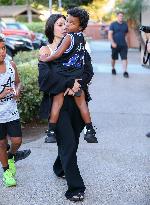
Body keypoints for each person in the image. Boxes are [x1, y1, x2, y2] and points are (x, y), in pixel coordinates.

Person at [39, 13, 94, 201]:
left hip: (78, 103)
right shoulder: (46, 51)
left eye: (67, 24)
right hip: (58, 105)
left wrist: (79, 83)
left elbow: (88, 71)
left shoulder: (78, 48)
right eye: (60, 24)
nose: (64, 27)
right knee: (68, 143)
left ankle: (59, 166)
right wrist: (68, 83)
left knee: (73, 142)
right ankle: (75, 188)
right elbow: (45, 79)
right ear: (51, 28)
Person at [39, 7, 97, 144]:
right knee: (82, 103)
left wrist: (45, 59)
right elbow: (45, 77)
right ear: (51, 28)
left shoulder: (69, 37)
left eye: (70, 23)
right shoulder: (81, 38)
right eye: (64, 23)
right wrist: (75, 82)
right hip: (76, 74)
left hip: (65, 74)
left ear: (80, 26)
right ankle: (90, 130)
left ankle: (51, 131)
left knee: (57, 103)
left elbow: (58, 54)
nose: (66, 25)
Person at [0, 34, 23, 187]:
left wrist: (17, 91)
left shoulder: (11, 65)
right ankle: (6, 172)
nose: (2, 52)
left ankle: (11, 155)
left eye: (3, 48)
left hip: (11, 111)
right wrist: (2, 94)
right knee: (1, 143)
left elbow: (19, 83)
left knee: (17, 141)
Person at [108, 11, 129, 78]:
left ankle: (125, 71)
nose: (121, 17)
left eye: (122, 16)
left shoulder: (125, 24)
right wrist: (112, 43)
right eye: (120, 16)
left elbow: (126, 35)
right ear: (117, 16)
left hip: (123, 45)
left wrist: (127, 43)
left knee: (124, 58)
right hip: (115, 45)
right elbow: (110, 35)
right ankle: (113, 68)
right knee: (114, 58)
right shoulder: (113, 24)